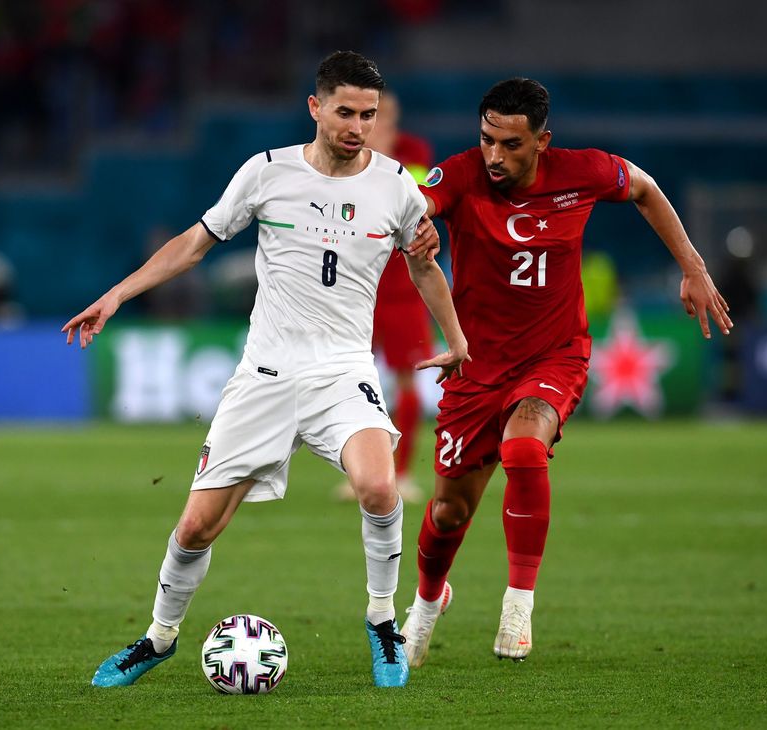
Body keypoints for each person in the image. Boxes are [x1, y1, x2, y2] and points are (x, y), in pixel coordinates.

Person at [62, 51, 469, 689]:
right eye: (344, 112)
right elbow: (196, 243)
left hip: (342, 371)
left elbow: (423, 264)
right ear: (315, 107)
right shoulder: (267, 173)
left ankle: (382, 622)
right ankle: (158, 637)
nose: (357, 126)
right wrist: (118, 294)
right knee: (198, 524)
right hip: (267, 374)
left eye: (367, 114)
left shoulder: (395, 186)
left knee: (379, 488)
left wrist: (456, 338)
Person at [399, 78, 733, 665]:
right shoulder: (460, 174)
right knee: (450, 510)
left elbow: (647, 189)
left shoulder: (583, 171)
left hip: (554, 355)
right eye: (486, 141)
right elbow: (424, 201)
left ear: (542, 142)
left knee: (524, 450)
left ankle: (518, 605)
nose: (495, 157)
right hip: (476, 365)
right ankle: (428, 601)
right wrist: (420, 220)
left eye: (511, 145)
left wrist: (693, 266)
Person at [335, 91, 435, 503]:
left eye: (380, 116)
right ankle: (359, 472)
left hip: (405, 292)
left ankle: (404, 470)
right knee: (348, 382)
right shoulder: (346, 157)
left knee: (407, 381)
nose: (374, 126)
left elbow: (412, 204)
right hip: (358, 291)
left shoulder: (412, 153)